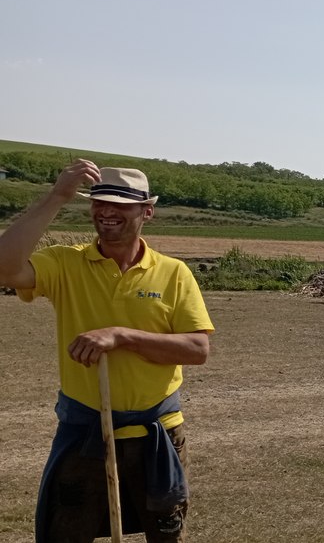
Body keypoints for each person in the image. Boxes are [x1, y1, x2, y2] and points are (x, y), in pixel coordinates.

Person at [0, 159, 214, 542]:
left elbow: (197, 348)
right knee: (63, 533)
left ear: (147, 211)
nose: (106, 211)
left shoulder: (173, 272)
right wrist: (56, 197)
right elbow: (3, 269)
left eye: (120, 204)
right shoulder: (65, 263)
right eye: (99, 201)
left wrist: (122, 336)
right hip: (85, 433)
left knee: (167, 536)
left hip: (157, 435)